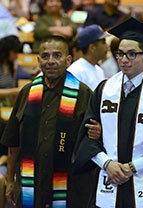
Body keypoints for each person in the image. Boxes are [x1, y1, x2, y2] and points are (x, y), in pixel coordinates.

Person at [72, 17, 143, 208]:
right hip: (108, 176)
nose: (124, 60)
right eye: (120, 54)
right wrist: (108, 164)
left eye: (132, 54)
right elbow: (87, 135)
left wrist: (137, 164)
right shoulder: (105, 89)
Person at [1, 36, 95, 207]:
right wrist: (11, 180)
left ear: (68, 60)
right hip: (31, 185)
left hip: (70, 187)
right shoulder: (27, 93)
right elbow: (13, 143)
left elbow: (92, 143)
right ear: (38, 60)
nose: (50, 61)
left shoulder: (83, 94)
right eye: (45, 56)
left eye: (57, 56)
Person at [67, 24, 106, 91]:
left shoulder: (99, 70)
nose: (107, 46)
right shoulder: (75, 71)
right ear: (92, 47)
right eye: (103, 43)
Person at [0, 35, 22, 107]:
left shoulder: (11, 66)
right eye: (14, 52)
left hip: (7, 105)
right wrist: (15, 91)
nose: (16, 55)